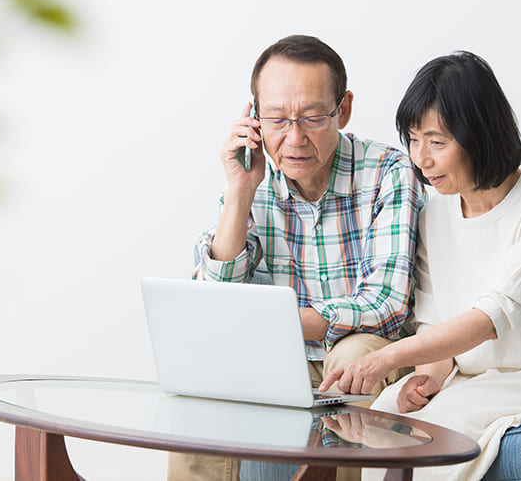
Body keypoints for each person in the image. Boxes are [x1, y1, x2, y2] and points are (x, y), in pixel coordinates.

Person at [319, 51, 521, 480]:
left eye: (437, 141)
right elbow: (434, 324)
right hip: (479, 378)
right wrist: (427, 378)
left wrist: (385, 359)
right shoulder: (436, 214)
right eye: (413, 139)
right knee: (386, 414)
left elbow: (490, 317)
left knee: (440, 431)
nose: (421, 159)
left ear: (479, 134)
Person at [170, 35, 426, 481]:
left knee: (350, 357)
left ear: (342, 110)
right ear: (253, 117)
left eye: (312, 118)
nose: (294, 138)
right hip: (275, 354)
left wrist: (275, 320)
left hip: (364, 347)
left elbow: (386, 306)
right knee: (203, 379)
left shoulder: (389, 171)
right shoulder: (255, 180)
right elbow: (212, 306)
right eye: (277, 119)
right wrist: (239, 193)